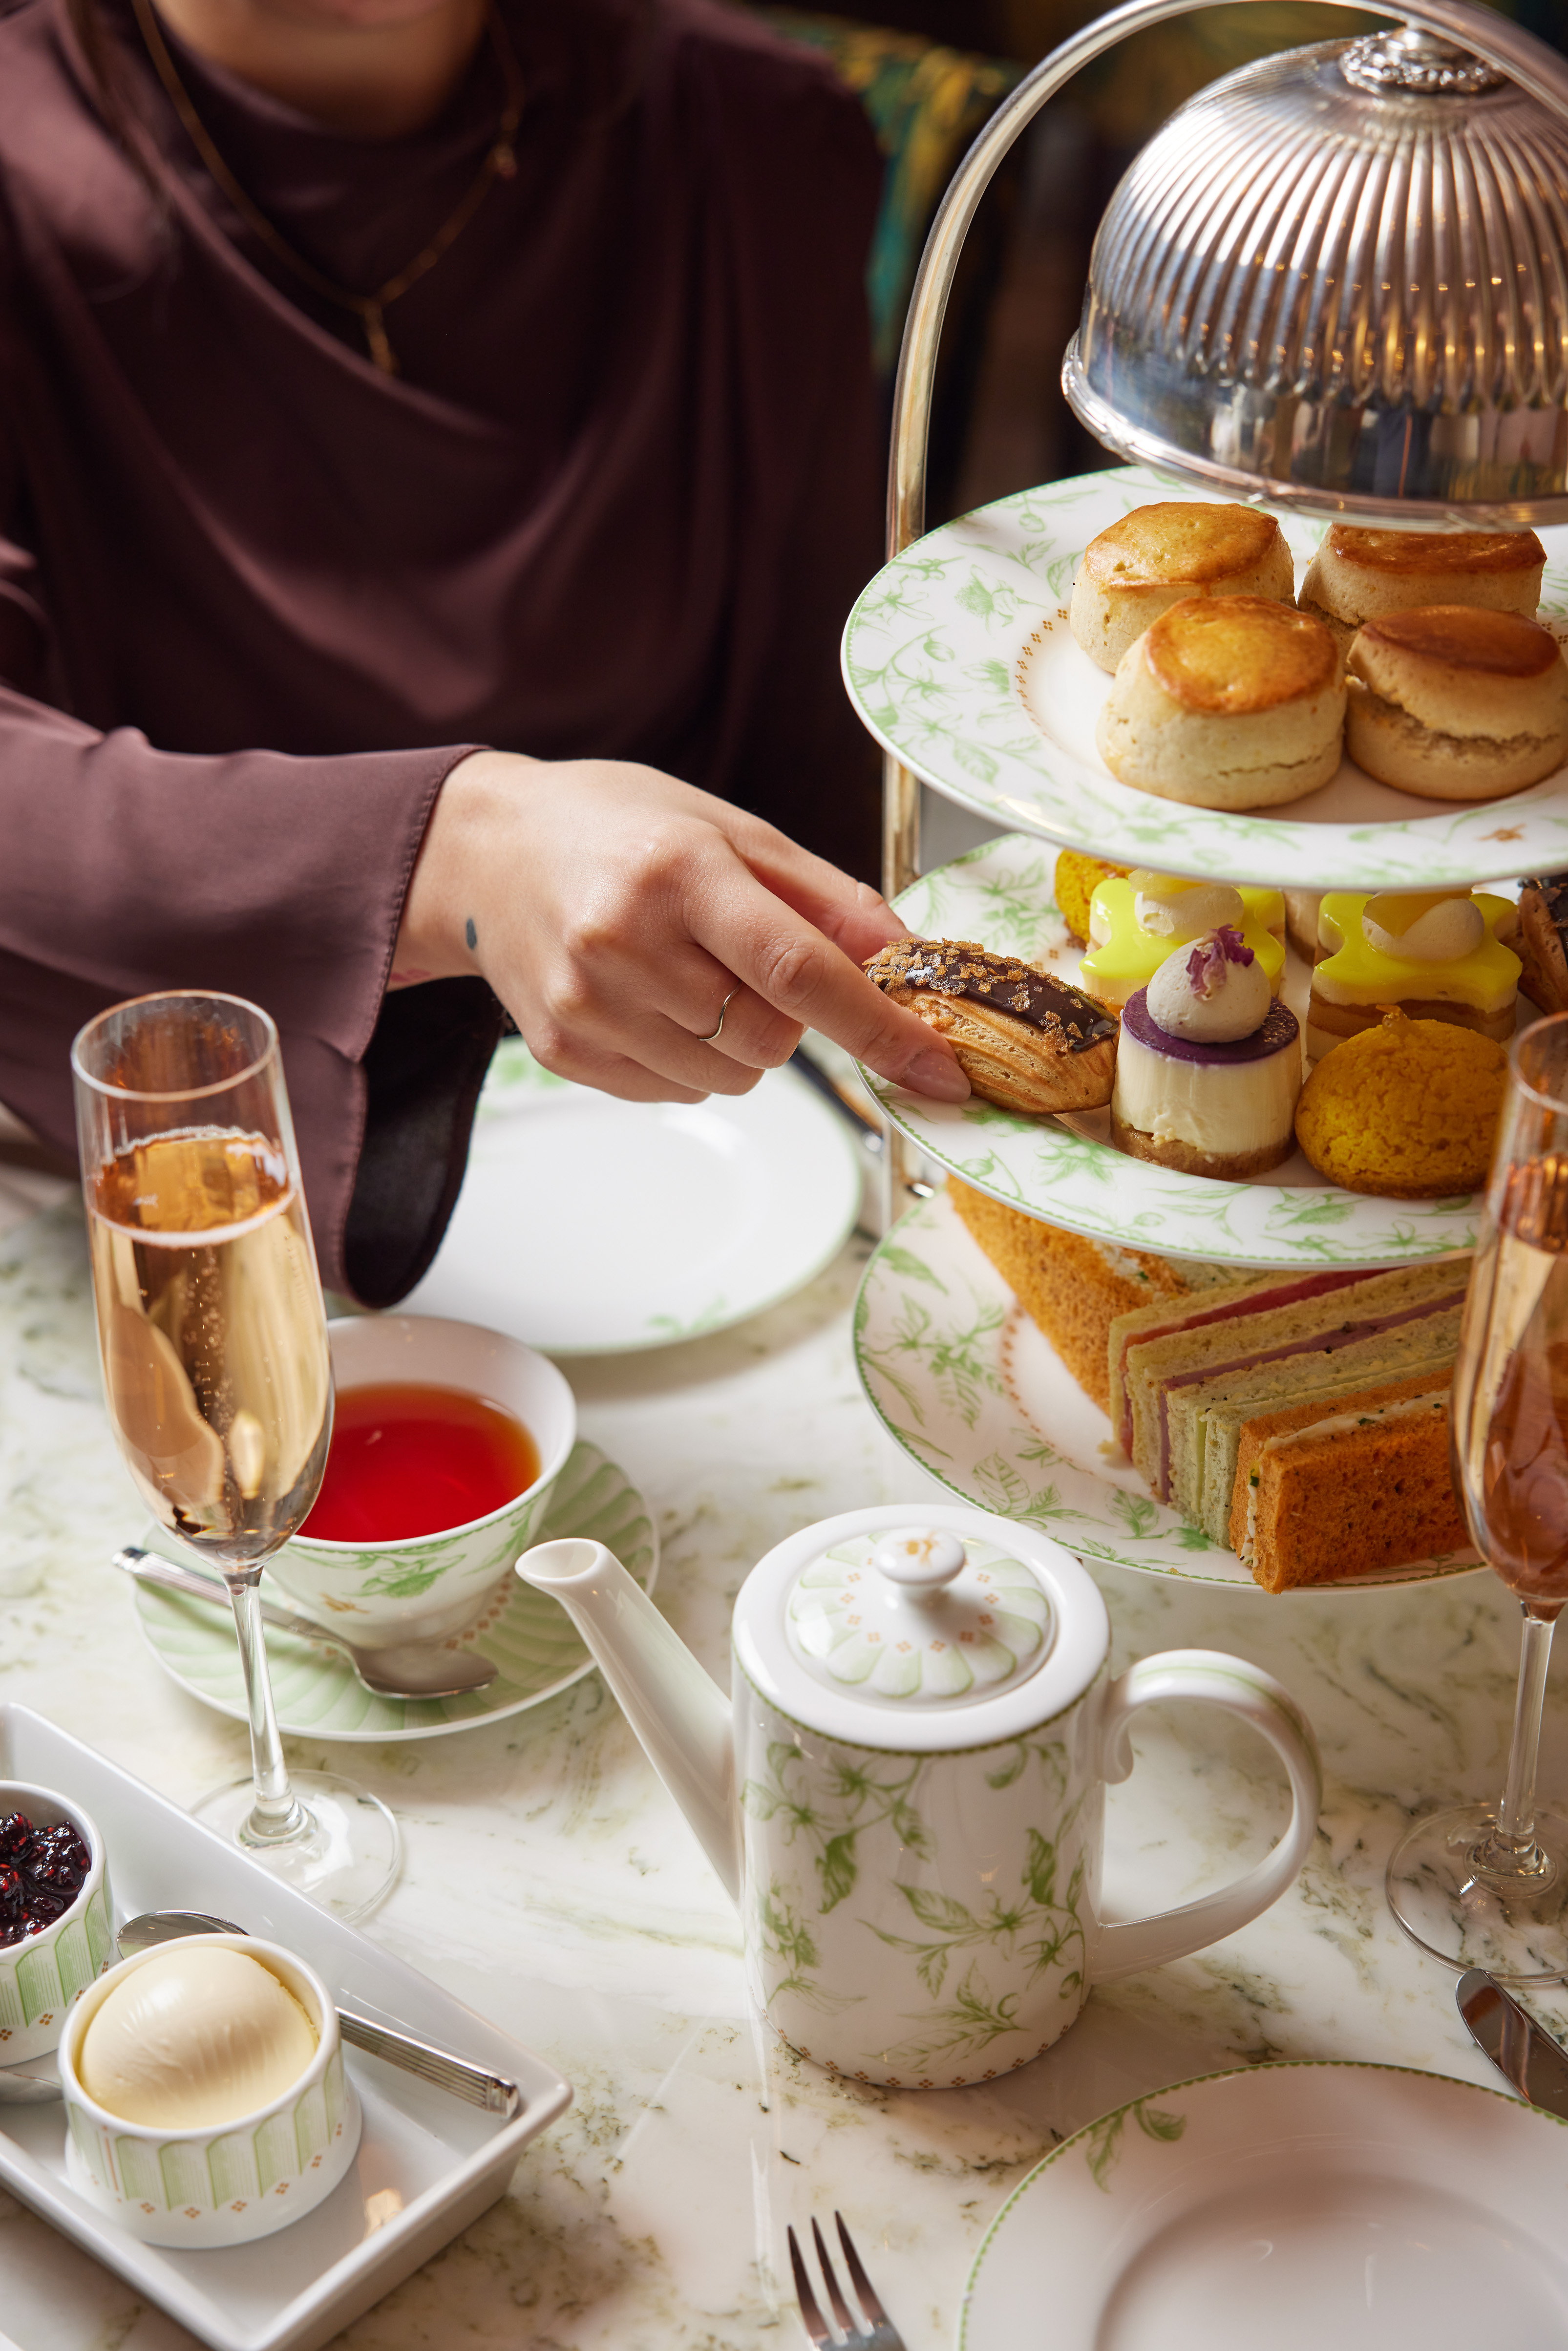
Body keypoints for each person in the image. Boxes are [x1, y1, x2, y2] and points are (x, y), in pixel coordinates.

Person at [0, 0, 969, 1301]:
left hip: (692, 1168)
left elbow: (809, 754)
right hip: (170, 1203)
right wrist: (458, 849)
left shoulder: (750, 137)